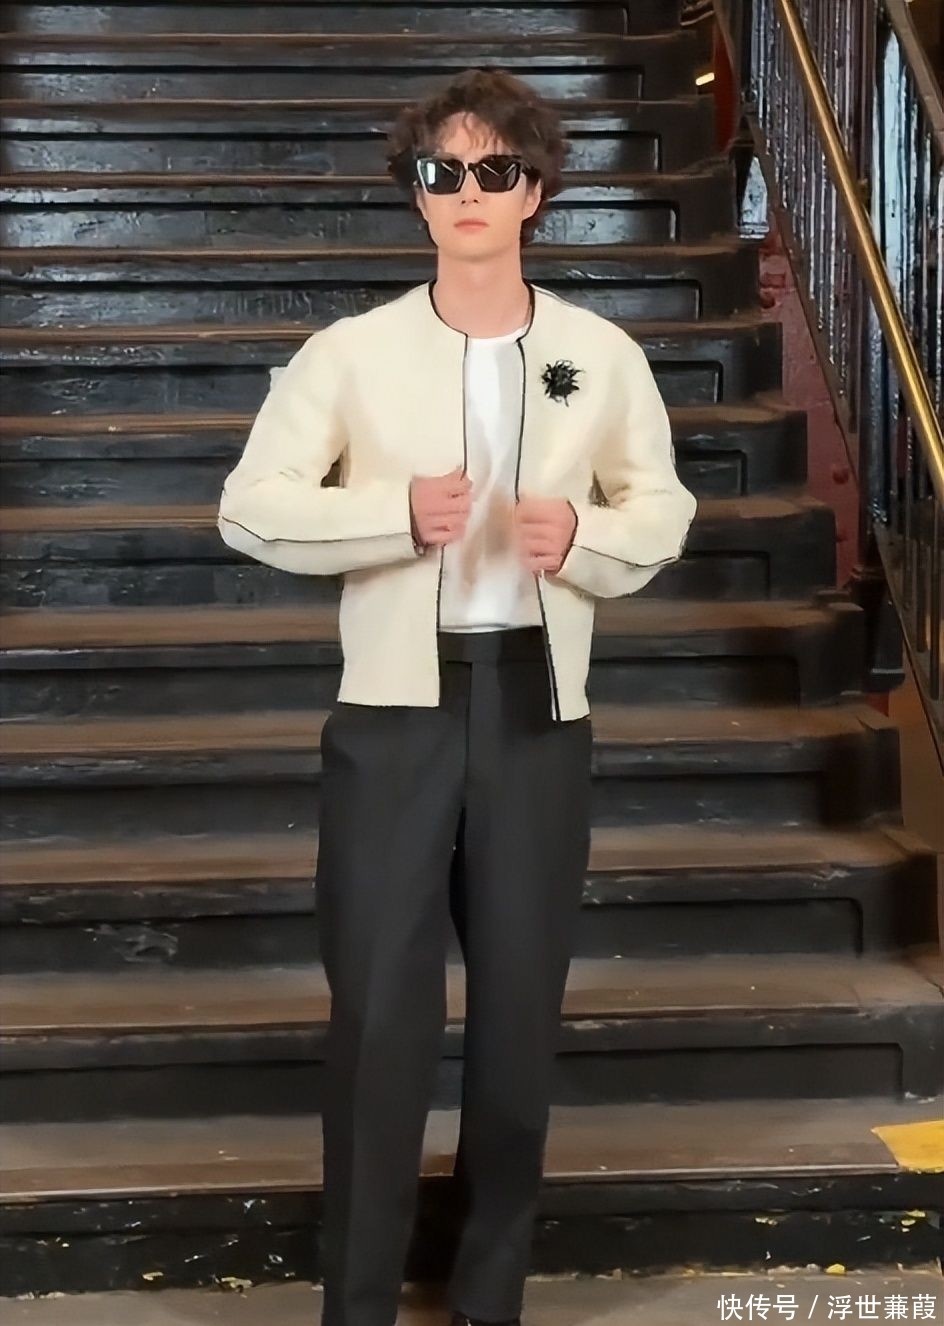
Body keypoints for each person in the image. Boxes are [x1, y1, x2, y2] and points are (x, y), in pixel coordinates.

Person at [217, 67, 697, 1326]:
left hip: (536, 707)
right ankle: (357, 1303)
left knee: (518, 1016)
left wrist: (583, 536)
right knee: (379, 1013)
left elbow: (660, 508)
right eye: (444, 171)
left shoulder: (598, 354)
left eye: (495, 170)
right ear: (416, 193)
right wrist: (392, 515)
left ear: (534, 192)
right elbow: (251, 507)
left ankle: (490, 1299)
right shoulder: (350, 352)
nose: (468, 191)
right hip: (392, 712)